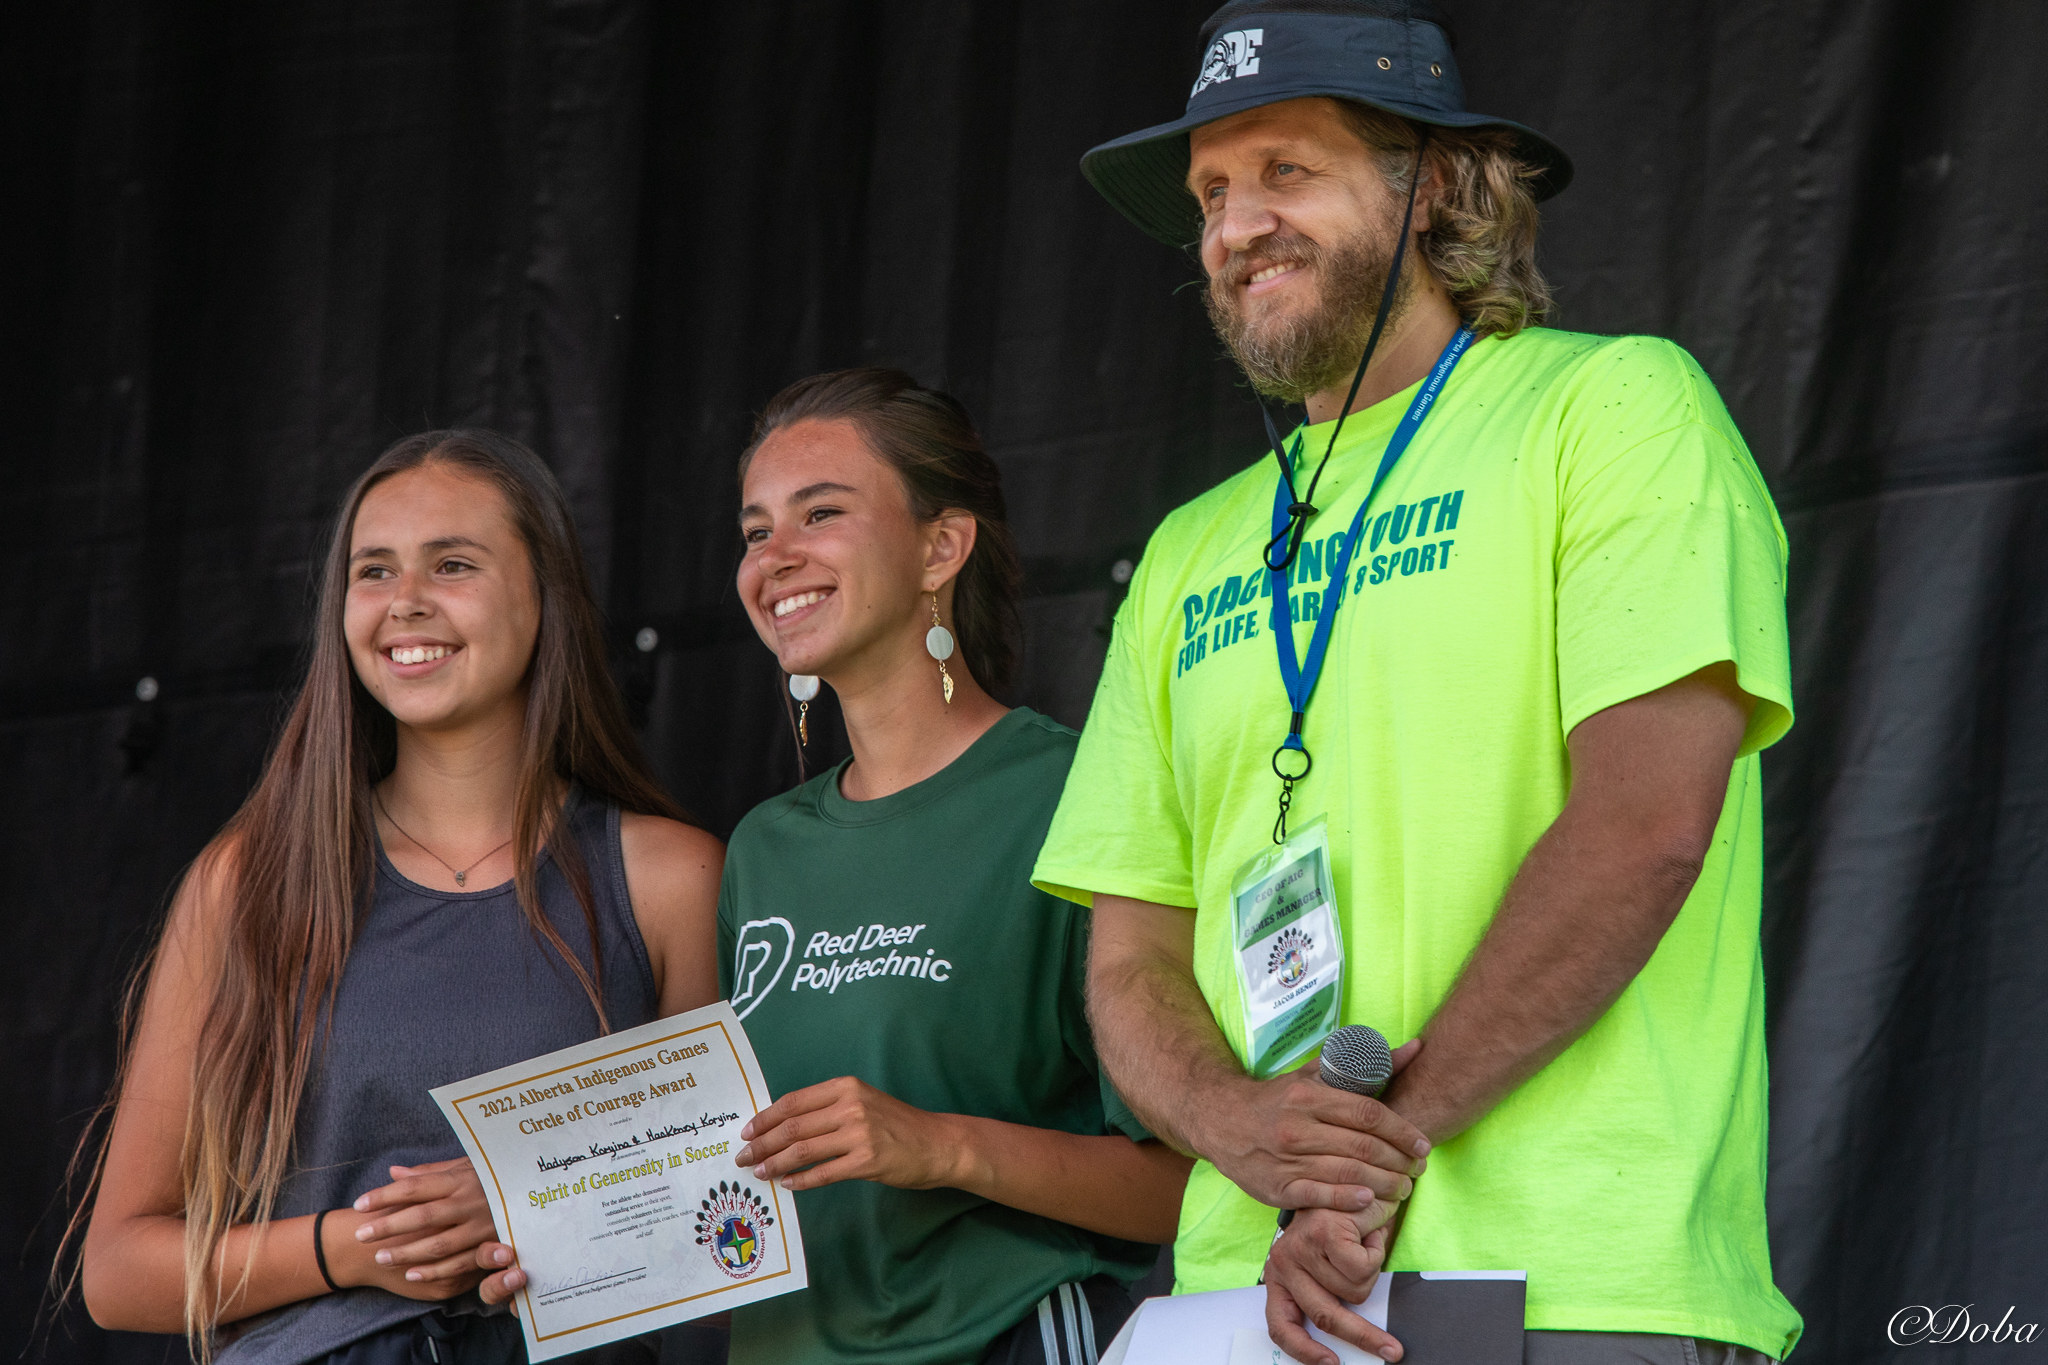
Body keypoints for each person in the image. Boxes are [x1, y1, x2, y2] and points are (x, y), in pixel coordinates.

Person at [1031, 2, 1805, 1363]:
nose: (1233, 223)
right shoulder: (1185, 550)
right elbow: (1130, 954)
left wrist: (1364, 1158)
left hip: (1568, 1281)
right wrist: (1237, 1127)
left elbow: (1644, 827)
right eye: (1212, 191)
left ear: (1435, 184)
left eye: (1287, 171)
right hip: (1240, 1297)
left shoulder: (1615, 408)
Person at [73, 430, 723, 1365]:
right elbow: (118, 1271)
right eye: (372, 571)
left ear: (547, 596)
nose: (405, 602)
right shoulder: (249, 882)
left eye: (452, 563)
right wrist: (360, 1248)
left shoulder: (670, 877)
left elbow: (715, 1231)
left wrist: (524, 1204)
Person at [715, 368, 1192, 1364]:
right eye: (756, 530)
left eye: (821, 513)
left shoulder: (1070, 793)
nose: (775, 557)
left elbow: (1182, 1182)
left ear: (941, 545)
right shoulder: (763, 847)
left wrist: (941, 1146)